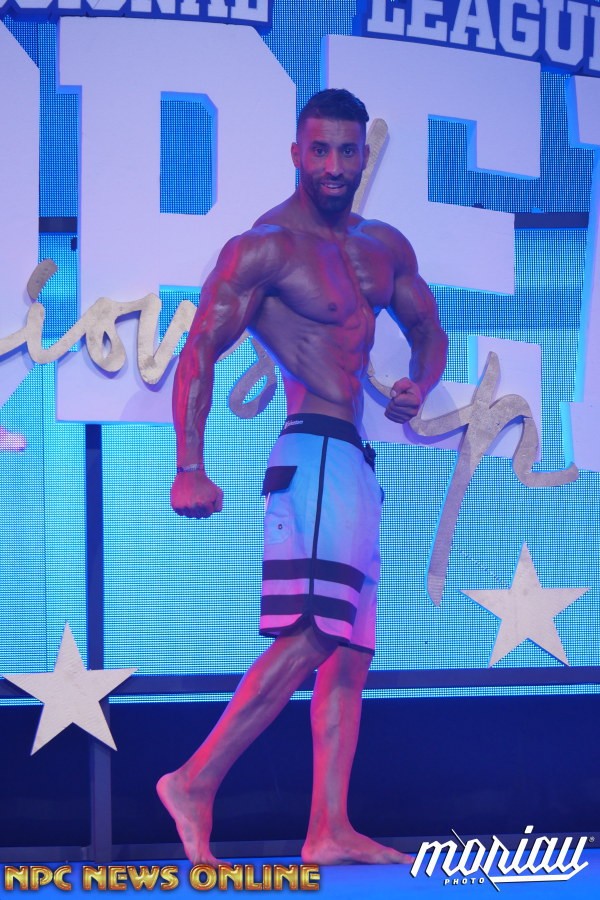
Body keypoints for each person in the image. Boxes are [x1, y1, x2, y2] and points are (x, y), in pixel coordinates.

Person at [157, 89, 448, 866]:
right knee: (316, 631)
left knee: (349, 652)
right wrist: (189, 466)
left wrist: (420, 382)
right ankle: (193, 781)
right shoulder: (265, 248)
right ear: (296, 153)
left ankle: (328, 828)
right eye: (319, 150)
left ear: (363, 155)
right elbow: (198, 350)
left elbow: (428, 329)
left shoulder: (382, 246)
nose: (333, 165)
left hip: (356, 458)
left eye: (347, 151)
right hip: (312, 454)